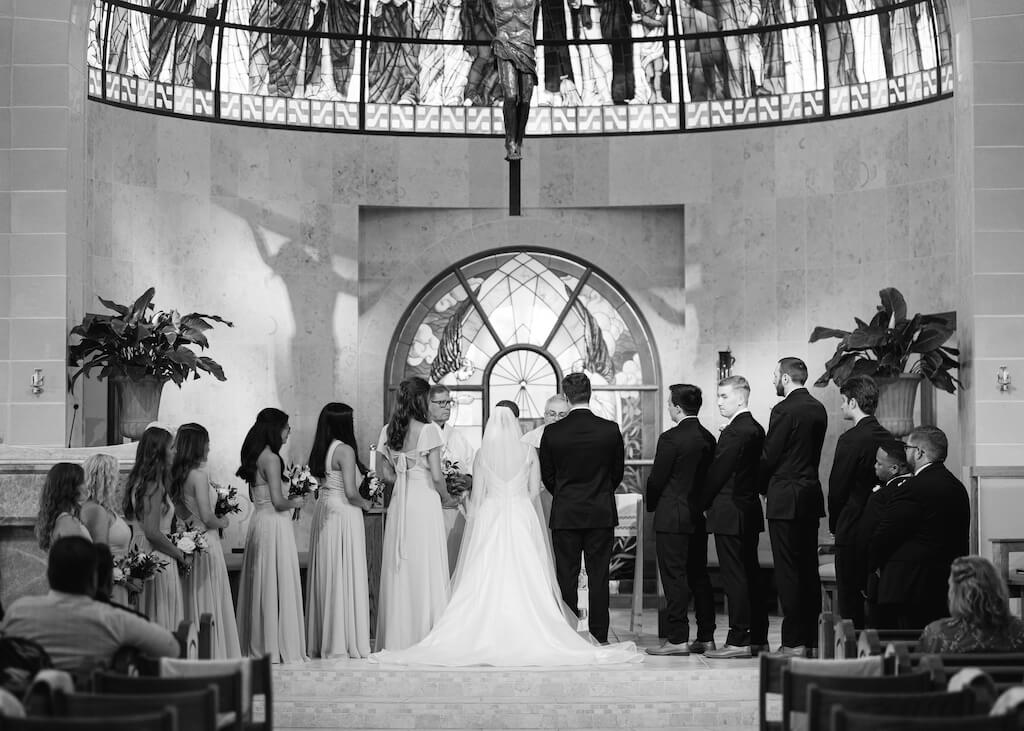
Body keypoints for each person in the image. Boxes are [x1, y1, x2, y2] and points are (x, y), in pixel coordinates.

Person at [371, 405, 641, 666]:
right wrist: (518, 499)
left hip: (491, 515)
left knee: (486, 573)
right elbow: (535, 491)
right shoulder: (527, 452)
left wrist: (474, 515)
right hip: (522, 515)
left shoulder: (482, 454)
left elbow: (477, 496)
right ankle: (540, 629)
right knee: (528, 574)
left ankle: (483, 629)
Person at [0, 537, 178, 676]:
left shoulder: (18, 611)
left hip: (30, 717)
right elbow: (171, 648)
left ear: (49, 574)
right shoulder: (113, 619)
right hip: (92, 713)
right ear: (94, 579)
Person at [539, 372, 625, 645]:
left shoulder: (552, 432)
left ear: (566, 396)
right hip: (600, 511)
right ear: (590, 394)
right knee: (599, 576)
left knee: (566, 575)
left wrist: (565, 495)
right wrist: (599, 492)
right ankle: (599, 635)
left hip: (566, 512)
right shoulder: (610, 429)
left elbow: (548, 476)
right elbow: (617, 473)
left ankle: (567, 635)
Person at [375, 377, 451, 651]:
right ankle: (426, 633)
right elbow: (437, 475)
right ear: (422, 400)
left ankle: (400, 635)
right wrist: (447, 497)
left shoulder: (387, 431)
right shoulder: (429, 430)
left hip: (400, 502)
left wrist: (402, 476)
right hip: (425, 499)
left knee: (401, 563)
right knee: (426, 563)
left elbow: (382, 474)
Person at [869, 425, 970, 629]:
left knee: (904, 653)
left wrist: (872, 565)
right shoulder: (958, 487)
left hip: (909, 588)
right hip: (947, 586)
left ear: (919, 452)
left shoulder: (913, 488)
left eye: (907, 448)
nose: (905, 452)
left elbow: (886, 535)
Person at [760, 357, 827, 656]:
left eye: (775, 375)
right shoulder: (818, 408)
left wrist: (761, 487)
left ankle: (793, 641)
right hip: (810, 495)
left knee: (788, 572)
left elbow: (770, 455)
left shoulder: (783, 409)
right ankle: (812, 641)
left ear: (786, 378)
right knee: (808, 570)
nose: (774, 380)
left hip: (785, 498)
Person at [645, 384, 717, 656]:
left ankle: (677, 638)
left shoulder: (671, 438)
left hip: (671, 516)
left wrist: (653, 505)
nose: (668, 407)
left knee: (674, 577)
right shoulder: (709, 438)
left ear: (676, 406)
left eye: (669, 403)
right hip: (697, 516)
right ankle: (706, 636)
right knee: (699, 575)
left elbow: (657, 478)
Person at [703, 376, 769, 659]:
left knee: (735, 577)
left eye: (724, 396)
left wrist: (701, 503)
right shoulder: (755, 427)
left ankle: (739, 639)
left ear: (741, 398)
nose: (719, 401)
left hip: (730, 511)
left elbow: (718, 473)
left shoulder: (735, 431)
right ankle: (758, 638)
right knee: (750, 574)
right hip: (748, 509)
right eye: (717, 396)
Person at [235, 408, 308, 663]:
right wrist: (297, 501)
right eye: (287, 427)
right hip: (275, 524)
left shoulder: (257, 455)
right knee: (277, 581)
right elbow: (278, 501)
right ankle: (277, 644)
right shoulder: (273, 459)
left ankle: (262, 640)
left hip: (259, 522)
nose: (289, 432)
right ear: (276, 429)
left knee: (263, 582)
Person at [306, 402, 373, 659]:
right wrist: (366, 503)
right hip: (344, 511)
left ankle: (326, 636)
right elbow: (351, 492)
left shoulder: (320, 449)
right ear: (343, 423)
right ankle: (343, 640)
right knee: (344, 571)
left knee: (330, 570)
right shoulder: (344, 450)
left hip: (326, 509)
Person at [169, 423, 241, 659]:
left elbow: (181, 511)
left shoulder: (175, 474)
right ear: (198, 445)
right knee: (209, 596)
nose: (209, 447)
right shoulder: (199, 475)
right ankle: (212, 651)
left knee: (190, 596)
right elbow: (207, 516)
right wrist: (224, 522)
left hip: (186, 540)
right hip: (206, 543)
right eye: (207, 442)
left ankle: (190, 651)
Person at [827, 375, 892, 627]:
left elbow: (837, 489)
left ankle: (852, 651)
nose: (842, 407)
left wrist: (835, 525)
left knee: (850, 595)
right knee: (875, 590)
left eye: (843, 401)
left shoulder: (850, 439)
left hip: (852, 524)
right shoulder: (887, 436)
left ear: (853, 402)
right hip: (880, 524)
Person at [123, 426, 186, 631]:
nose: (175, 452)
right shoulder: (153, 485)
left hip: (140, 549)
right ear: (159, 451)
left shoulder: (139, 481)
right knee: (161, 616)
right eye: (172, 447)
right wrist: (179, 554)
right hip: (157, 555)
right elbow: (152, 532)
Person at [856, 440, 911, 628]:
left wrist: (867, 570)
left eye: (879, 463)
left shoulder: (881, 495)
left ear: (894, 468)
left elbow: (867, 536)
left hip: (884, 577)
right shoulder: (919, 486)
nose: (875, 466)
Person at [918, 556, 1024, 653]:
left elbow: (919, 671)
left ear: (955, 593)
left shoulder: (936, 633)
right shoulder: (1019, 632)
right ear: (998, 588)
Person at [429, 385, 474, 575]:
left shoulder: (458, 436)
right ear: (427, 404)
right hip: (431, 506)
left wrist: (467, 480)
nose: (447, 407)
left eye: (449, 402)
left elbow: (472, 466)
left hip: (457, 506)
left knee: (454, 563)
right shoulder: (422, 433)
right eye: (441, 402)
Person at [80, 454, 132, 605]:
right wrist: (125, 580)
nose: (119, 481)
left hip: (118, 581)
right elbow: (99, 555)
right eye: (116, 475)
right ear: (107, 479)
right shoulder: (95, 510)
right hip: (110, 586)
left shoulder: (104, 508)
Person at [492, 0, 537, 159]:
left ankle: (518, 140)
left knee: (526, 97)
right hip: (504, 42)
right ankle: (510, 143)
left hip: (526, 44)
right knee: (511, 96)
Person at [36, 463, 91, 551]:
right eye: (83, 482)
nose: (87, 486)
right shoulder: (67, 522)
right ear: (70, 487)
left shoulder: (62, 518)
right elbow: (79, 560)